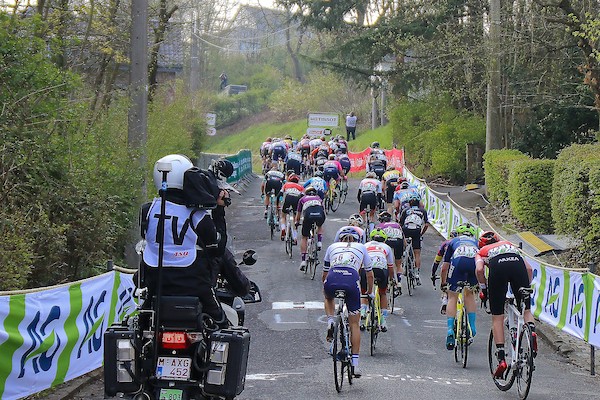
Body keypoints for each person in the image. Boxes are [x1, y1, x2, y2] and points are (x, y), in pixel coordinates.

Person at [137, 154, 227, 326]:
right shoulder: (196, 214)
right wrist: (219, 212)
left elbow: (146, 237)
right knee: (221, 325)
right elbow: (217, 249)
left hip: (156, 281)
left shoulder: (147, 210)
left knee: (141, 324)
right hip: (194, 282)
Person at [475, 231, 537, 378]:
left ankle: (502, 359)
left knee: (497, 317)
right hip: (517, 265)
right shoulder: (510, 245)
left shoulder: (482, 251)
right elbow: (529, 269)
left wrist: (484, 289)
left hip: (498, 268)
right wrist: (525, 288)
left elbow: (479, 270)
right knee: (526, 310)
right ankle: (532, 332)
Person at [323, 227, 373, 378]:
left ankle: (331, 320)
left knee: (328, 297)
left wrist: (325, 287)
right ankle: (355, 364)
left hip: (332, 278)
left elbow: (324, 274)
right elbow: (369, 274)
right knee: (354, 324)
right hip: (351, 280)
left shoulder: (332, 247)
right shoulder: (361, 247)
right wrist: (369, 292)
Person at [439, 223, 479, 350]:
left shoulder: (453, 241)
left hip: (458, 262)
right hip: (474, 263)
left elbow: (444, 267)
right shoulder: (477, 242)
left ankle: (450, 329)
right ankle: (472, 326)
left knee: (452, 297)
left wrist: (443, 283)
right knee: (469, 293)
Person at [360, 228, 395, 332]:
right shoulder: (387, 247)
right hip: (381, 270)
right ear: (384, 240)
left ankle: (362, 313)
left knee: (364, 292)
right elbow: (390, 267)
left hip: (367, 270)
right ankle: (383, 320)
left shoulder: (365, 246)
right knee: (382, 293)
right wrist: (392, 279)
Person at [398, 194, 429, 285]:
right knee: (417, 253)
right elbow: (426, 224)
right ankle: (416, 273)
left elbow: (400, 224)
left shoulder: (405, 210)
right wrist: (421, 233)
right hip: (417, 230)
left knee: (404, 245)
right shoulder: (422, 211)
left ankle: (404, 255)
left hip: (406, 229)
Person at [295, 186, 326, 271]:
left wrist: (296, 222)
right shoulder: (318, 198)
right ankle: (319, 242)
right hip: (320, 214)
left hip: (308, 215)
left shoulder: (302, 199)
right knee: (319, 225)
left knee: (304, 237)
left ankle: (303, 260)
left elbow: (298, 214)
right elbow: (323, 210)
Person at [375, 211, 405, 291]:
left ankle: (388, 282)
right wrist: (404, 247)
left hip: (387, 241)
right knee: (398, 263)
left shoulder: (379, 226)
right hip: (398, 241)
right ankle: (399, 281)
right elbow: (403, 237)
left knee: (388, 263)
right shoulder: (397, 225)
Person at [431, 230, 458, 315]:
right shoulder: (461, 243)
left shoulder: (445, 244)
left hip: (448, 267)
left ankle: (445, 299)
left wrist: (433, 273)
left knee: (445, 284)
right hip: (461, 266)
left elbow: (437, 260)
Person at [278, 173, 304, 242]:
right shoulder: (300, 186)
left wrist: (278, 203)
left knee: (283, 215)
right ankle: (295, 236)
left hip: (288, 197)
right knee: (296, 219)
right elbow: (302, 197)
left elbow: (280, 194)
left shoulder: (286, 184)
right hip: (296, 199)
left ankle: (283, 228)